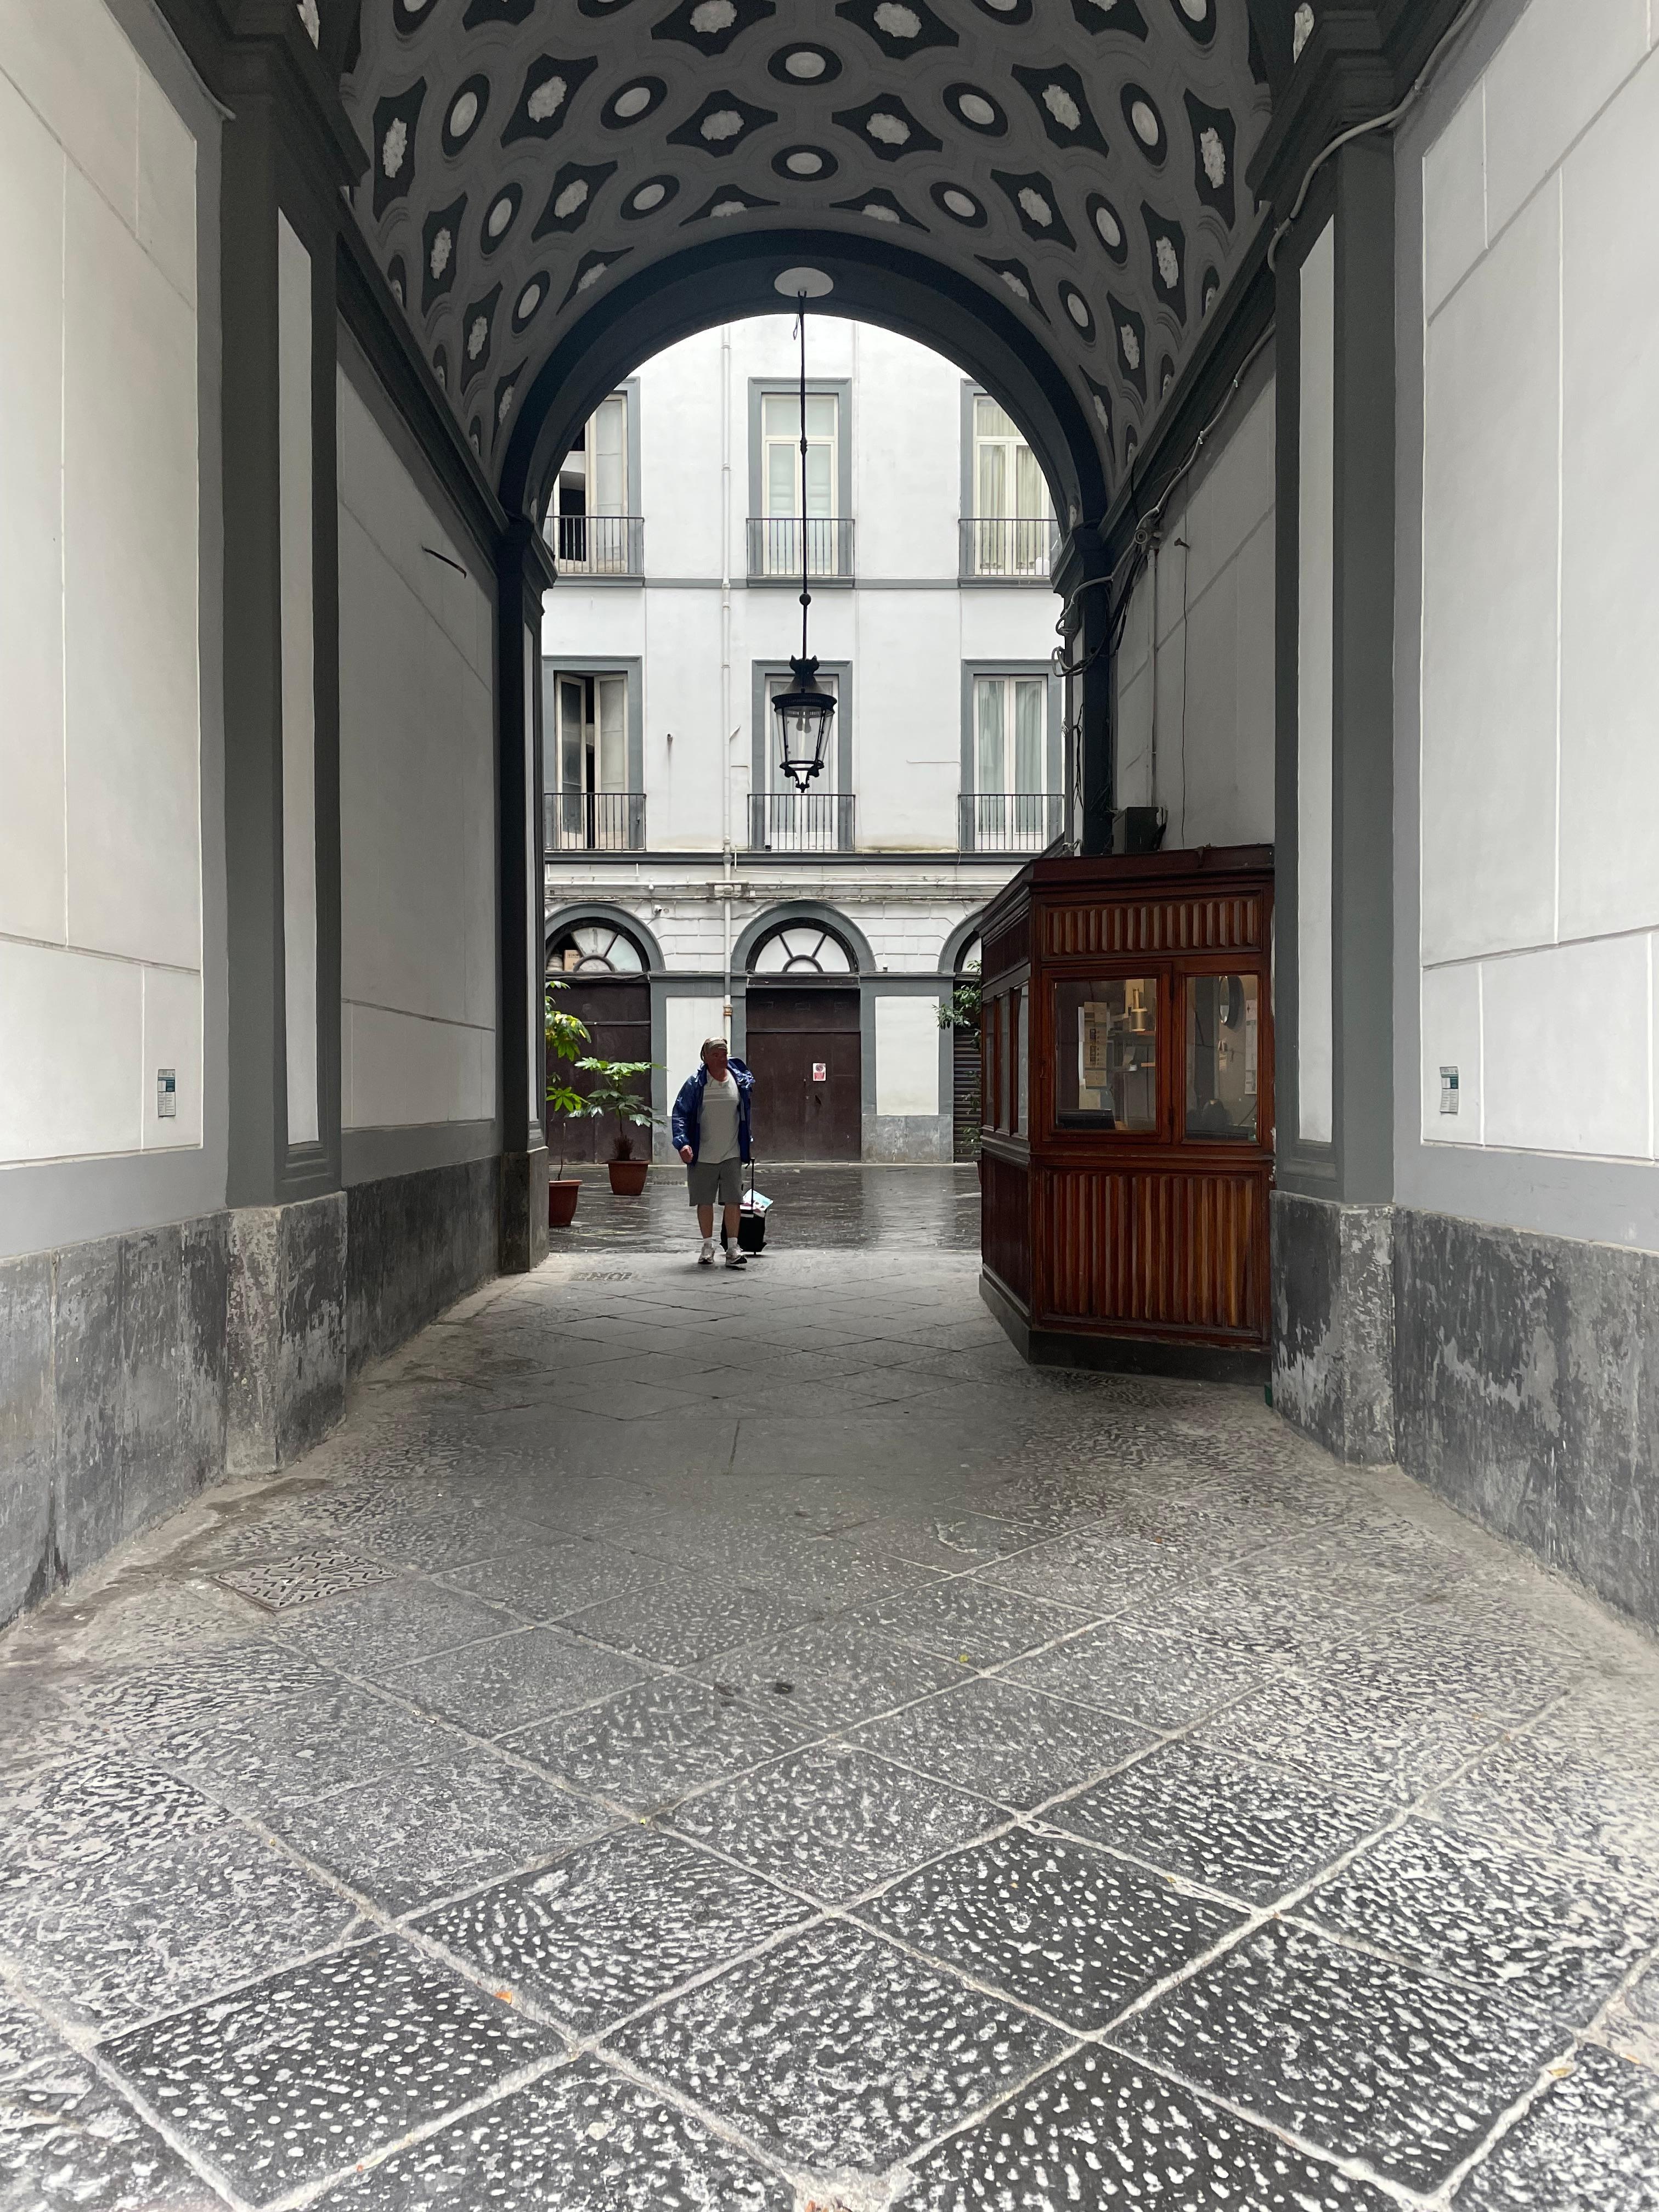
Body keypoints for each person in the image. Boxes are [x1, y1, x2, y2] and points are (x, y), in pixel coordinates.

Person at [670, 1036, 755, 1269]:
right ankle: (707, 1246)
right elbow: (680, 1114)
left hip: (732, 1152)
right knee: (704, 1201)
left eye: (724, 1054)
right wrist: (682, 1143)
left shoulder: (738, 1080)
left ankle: (733, 1247)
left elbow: (745, 1112)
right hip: (703, 1153)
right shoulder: (695, 1084)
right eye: (715, 1055)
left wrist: (747, 1141)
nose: (721, 1059)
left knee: (733, 1200)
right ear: (705, 1057)